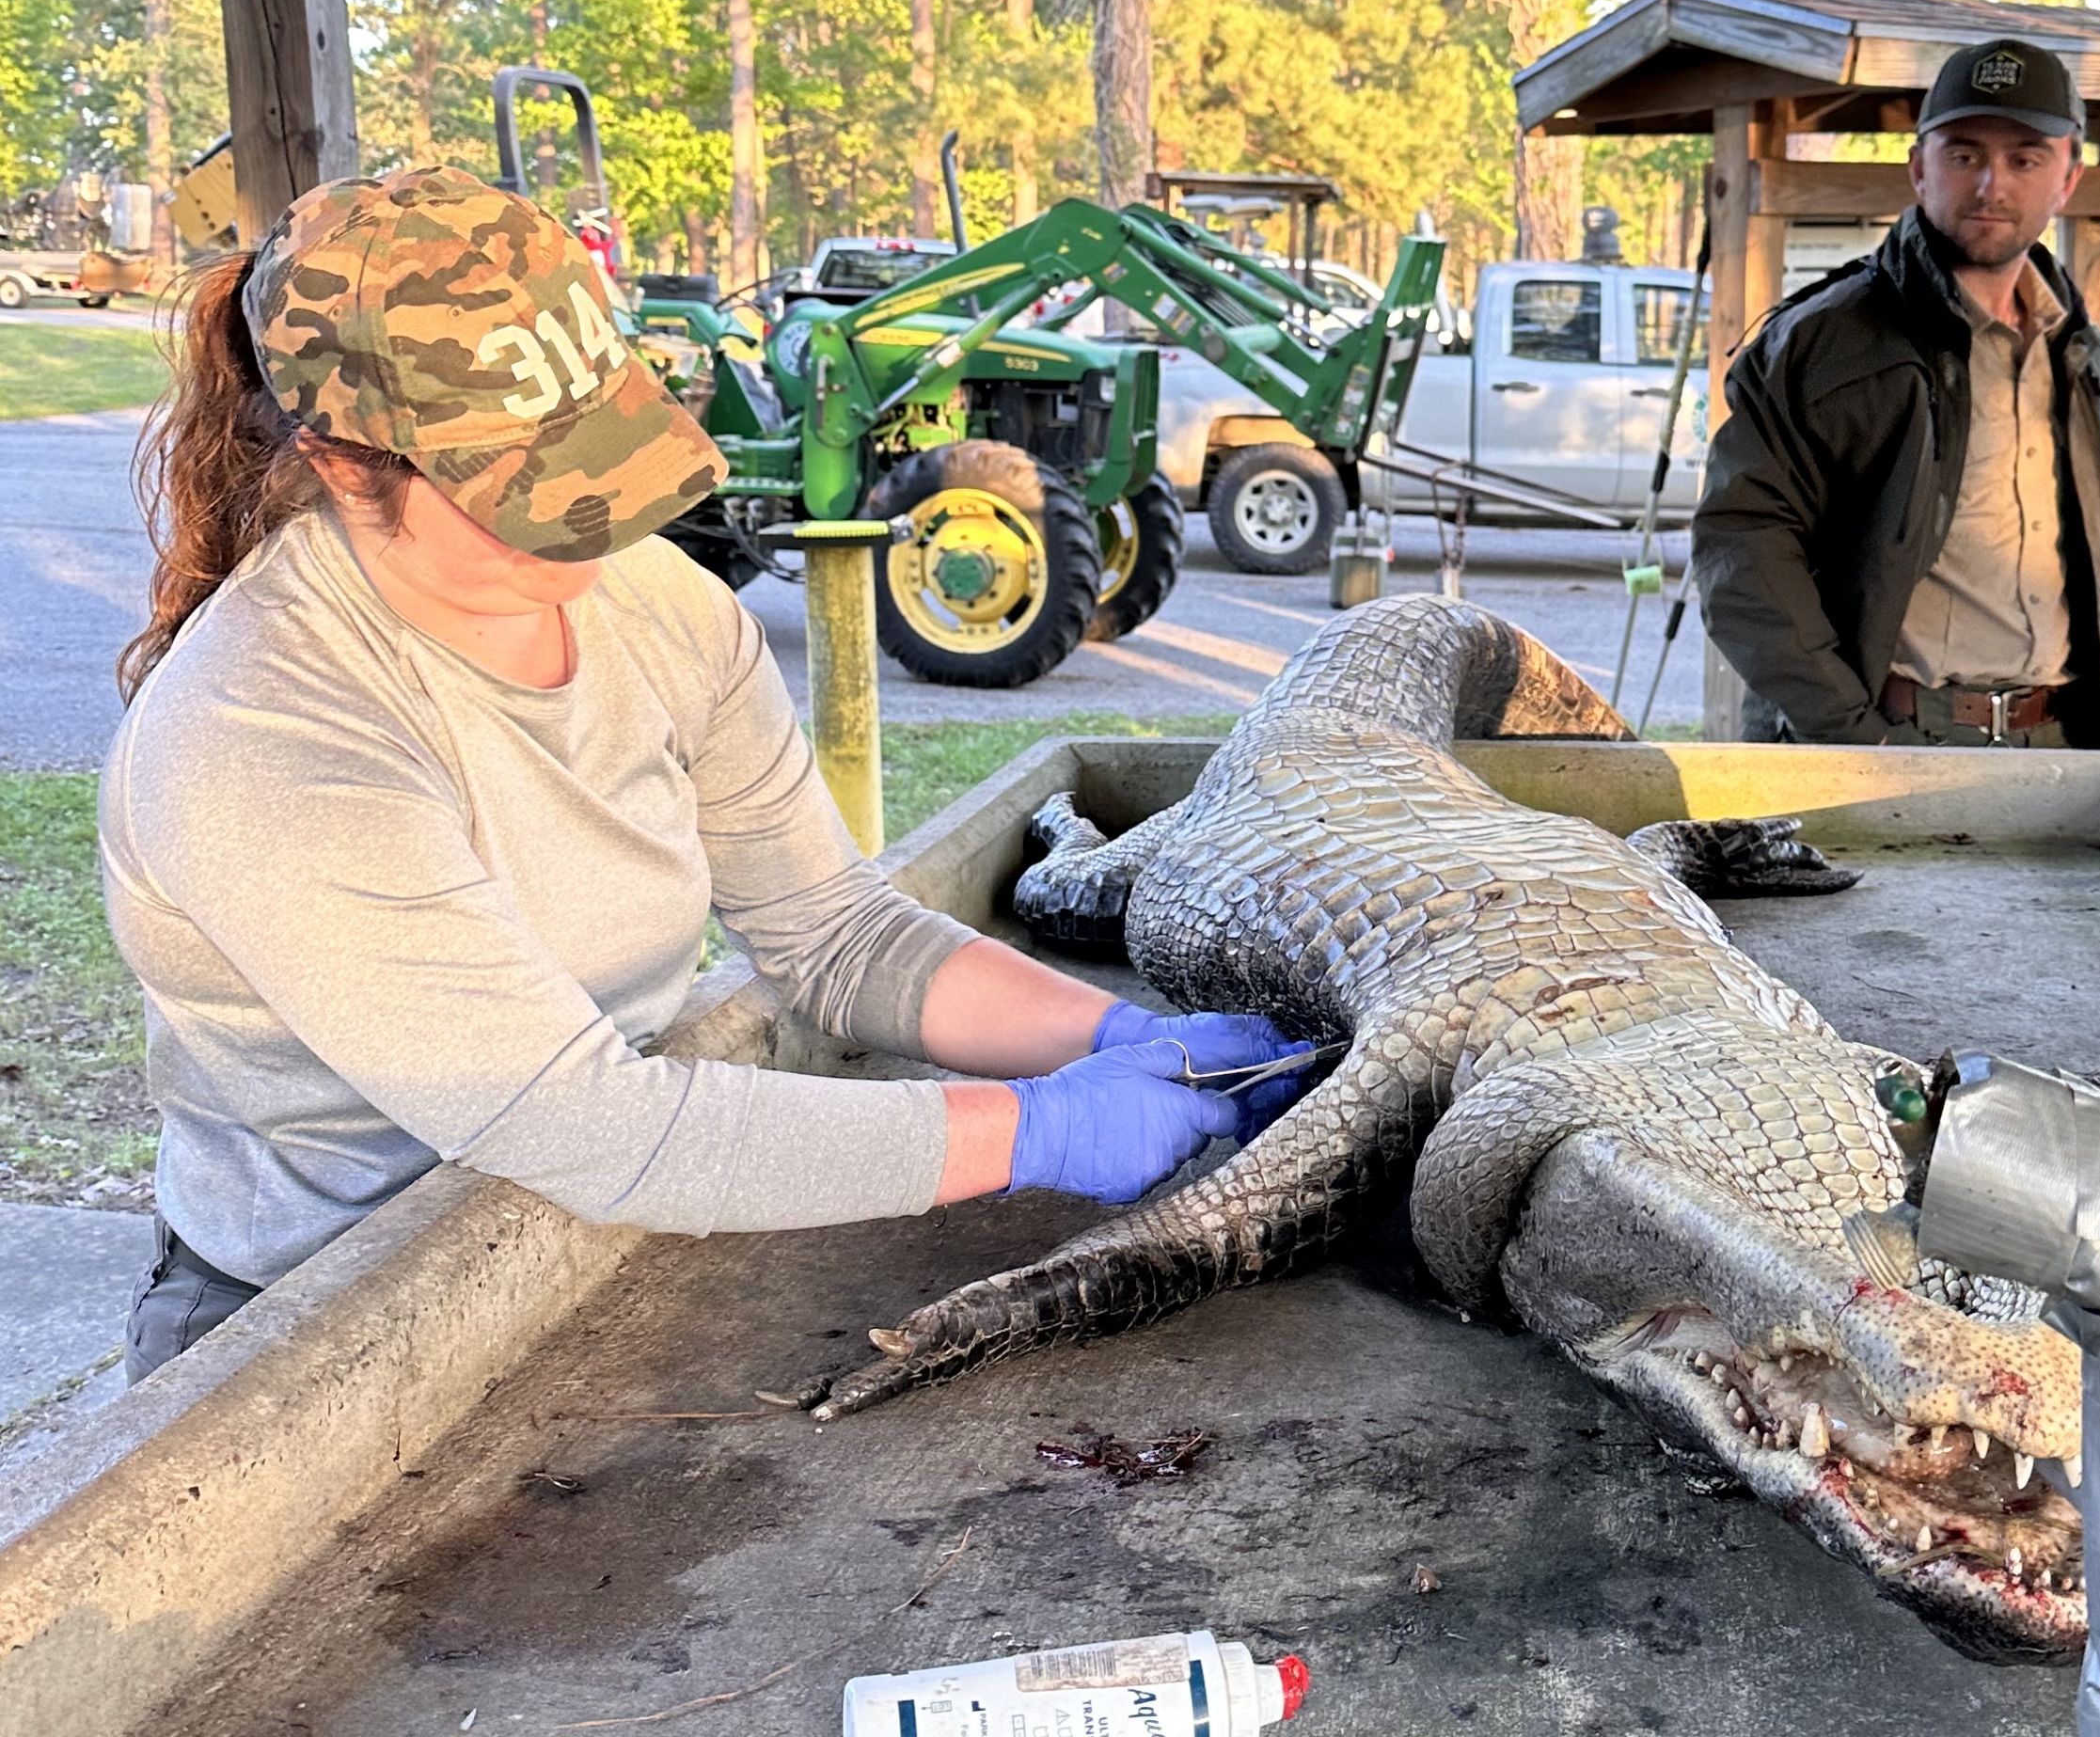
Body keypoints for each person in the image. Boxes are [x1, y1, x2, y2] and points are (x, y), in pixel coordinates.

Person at [102, 166, 1314, 1380]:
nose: (589, 524)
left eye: (592, 453)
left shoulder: (660, 612)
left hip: (581, 1241)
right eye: (520, 492)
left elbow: (836, 938)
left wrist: (1109, 1039)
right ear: (345, 462)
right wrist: (1039, 1133)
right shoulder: (260, 733)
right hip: (300, 1323)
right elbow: (589, 1122)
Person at [1691, 37, 2100, 750]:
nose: (1990, 185)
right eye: (1963, 154)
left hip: (2064, 742)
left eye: (2024, 158)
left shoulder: (2080, 350)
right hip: (1898, 738)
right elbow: (1742, 543)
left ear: (2067, 179)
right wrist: (1851, 735)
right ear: (1918, 167)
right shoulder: (1826, 341)